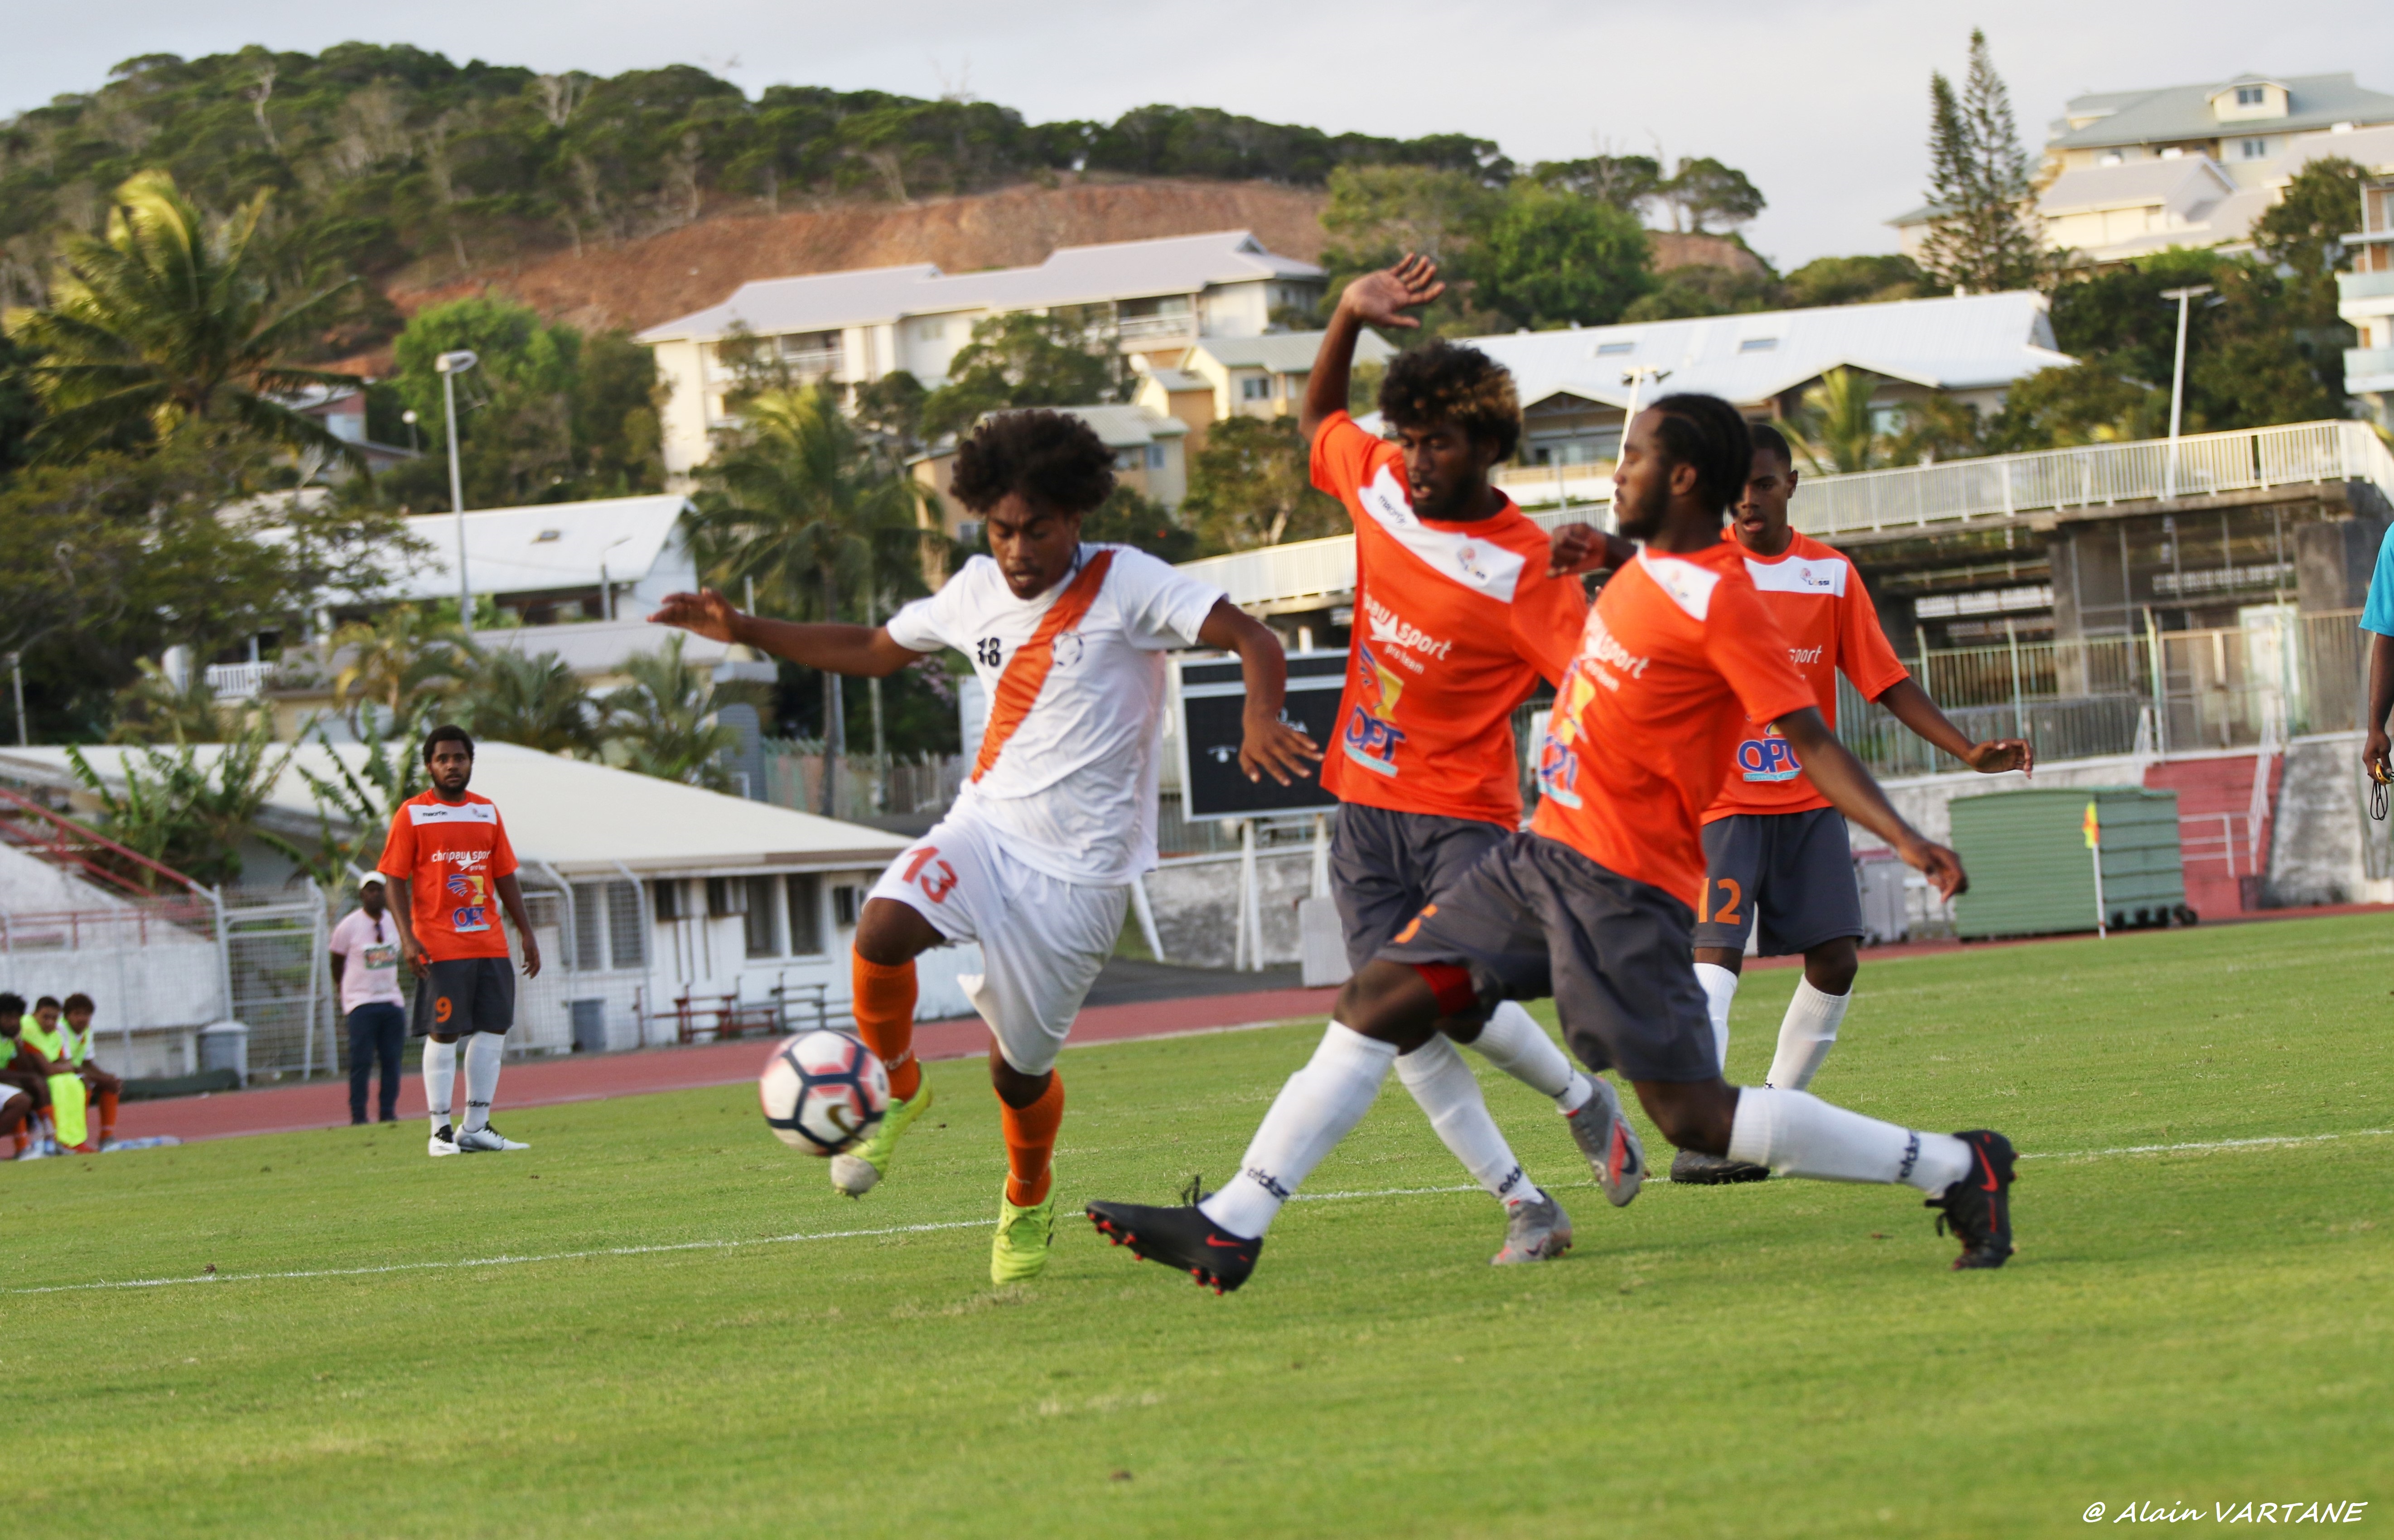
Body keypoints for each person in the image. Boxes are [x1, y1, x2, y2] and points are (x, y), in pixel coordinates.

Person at [1088, 394, 2020, 1293]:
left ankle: (1951, 1164)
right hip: (1540, 861)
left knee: (1693, 1113)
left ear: (1684, 476)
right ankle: (1233, 1222)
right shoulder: (1651, 565)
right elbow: (1658, 592)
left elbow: (1810, 734)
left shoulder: (1732, 603)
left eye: (1633, 457)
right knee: (1377, 995)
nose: (1614, 471)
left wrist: (1901, 834)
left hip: (1619, 889)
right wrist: (1615, 550)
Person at [652, 409, 1314, 1286]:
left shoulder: (1129, 582)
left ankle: (1025, 1193)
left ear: (1074, 518)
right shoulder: (972, 588)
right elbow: (872, 648)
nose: (1016, 549)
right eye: (1000, 529)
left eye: (1036, 528)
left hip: (1080, 879)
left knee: (1015, 1075)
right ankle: (900, 1087)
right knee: (882, 927)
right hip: (985, 828)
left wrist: (1259, 710)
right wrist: (743, 627)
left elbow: (1252, 637)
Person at [1295, 254, 1646, 1265]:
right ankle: (1524, 1203)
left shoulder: (1526, 565)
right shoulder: (1377, 483)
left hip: (1464, 817)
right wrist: (1347, 317)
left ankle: (1582, 1098)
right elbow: (1317, 423)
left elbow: (1604, 680)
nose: (1410, 457)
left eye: (1435, 441)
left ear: (1487, 446)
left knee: (1455, 994)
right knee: (1396, 1023)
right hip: (1362, 810)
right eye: (1405, 436)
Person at [1618, 423, 2032, 1183]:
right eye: (1735, 485)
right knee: (1715, 960)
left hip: (1810, 800)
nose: (1748, 498)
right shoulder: (1695, 573)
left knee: (1836, 960)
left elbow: (1884, 679)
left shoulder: (1829, 575)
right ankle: (1704, 1132)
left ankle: (1769, 1118)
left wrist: (1964, 748)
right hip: (1720, 803)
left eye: (1764, 483)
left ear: (1789, 486)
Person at [379, 724, 543, 1157]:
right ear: (430, 765)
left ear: (471, 762)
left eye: (460, 758)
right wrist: (408, 938)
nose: (452, 765)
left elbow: (505, 874)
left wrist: (525, 931)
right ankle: (439, 1132)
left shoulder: (487, 812)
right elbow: (393, 879)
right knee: (445, 1032)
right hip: (439, 945)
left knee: (493, 1030)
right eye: (443, 759)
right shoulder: (412, 814)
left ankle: (476, 1125)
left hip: (489, 943)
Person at [328, 877, 409, 1125]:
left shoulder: (394, 921)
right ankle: (359, 1115)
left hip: (391, 1000)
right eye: (370, 891)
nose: (376, 895)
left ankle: (388, 1111)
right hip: (361, 1003)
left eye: (380, 890)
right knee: (361, 1061)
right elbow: (337, 960)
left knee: (392, 1060)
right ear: (362, 895)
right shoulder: (349, 925)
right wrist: (344, 989)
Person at [17, 995, 92, 1153]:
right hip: (23, 1078)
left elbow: (65, 1062)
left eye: (54, 1018)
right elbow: (49, 1069)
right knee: (57, 1084)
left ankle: (76, 1140)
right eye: (46, 1017)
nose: (50, 1022)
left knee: (75, 1084)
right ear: (35, 1014)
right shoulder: (29, 1029)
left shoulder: (55, 1033)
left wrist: (62, 1067)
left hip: (40, 1077)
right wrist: (63, 1067)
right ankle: (58, 1139)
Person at [57, 994, 124, 1150]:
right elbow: (71, 1065)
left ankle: (107, 1137)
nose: (83, 1019)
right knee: (83, 1085)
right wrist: (101, 1079)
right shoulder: (61, 1029)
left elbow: (87, 1062)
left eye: (87, 1014)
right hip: (61, 1075)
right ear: (67, 1016)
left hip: (75, 1073)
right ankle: (75, 1139)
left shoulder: (87, 1031)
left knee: (111, 1084)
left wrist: (107, 1078)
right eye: (77, 1014)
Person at [0, 994, 55, 1159]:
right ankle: (28, 1145)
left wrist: (18, 1042)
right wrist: (25, 1079)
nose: (13, 1023)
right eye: (8, 1018)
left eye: (17, 1018)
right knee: (21, 1099)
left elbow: (27, 1069)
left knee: (36, 1085)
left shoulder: (9, 1038)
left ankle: (49, 1140)